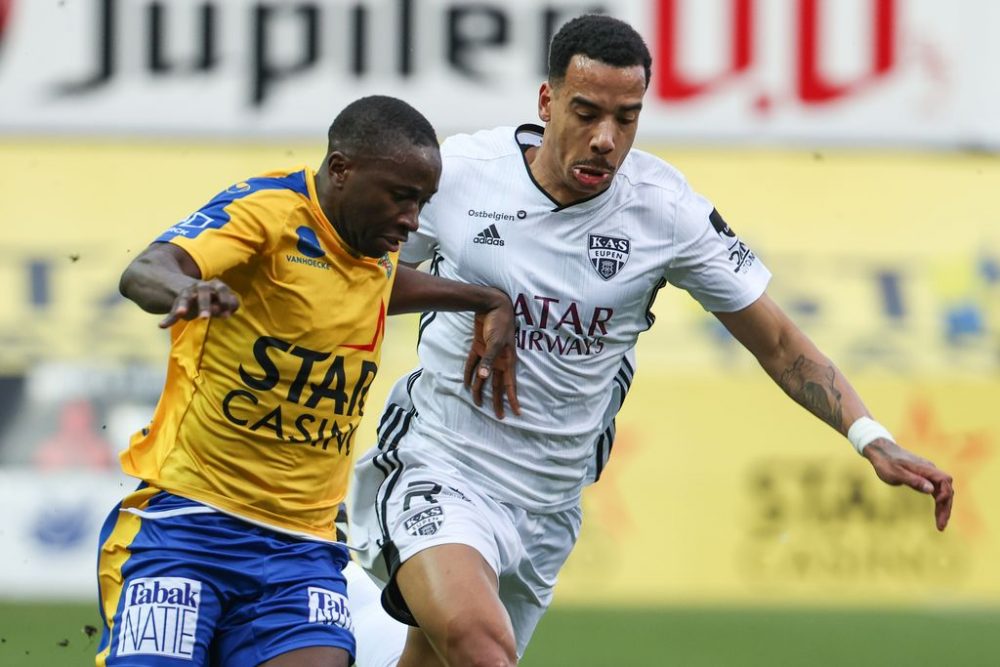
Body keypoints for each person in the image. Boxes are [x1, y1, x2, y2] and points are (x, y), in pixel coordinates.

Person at [346, 15, 956, 667]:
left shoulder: (667, 212)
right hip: (442, 465)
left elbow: (778, 340)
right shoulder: (462, 176)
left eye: (626, 118)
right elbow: (356, 274)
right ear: (547, 101)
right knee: (478, 643)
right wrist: (475, 297)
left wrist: (872, 437)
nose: (605, 139)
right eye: (585, 112)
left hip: (547, 506)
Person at [94, 95, 518, 667]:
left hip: (301, 549)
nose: (413, 219)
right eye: (401, 196)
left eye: (422, 202)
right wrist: (186, 290)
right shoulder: (269, 212)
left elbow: (375, 287)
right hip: (189, 526)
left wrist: (484, 299)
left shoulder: (372, 247)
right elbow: (145, 270)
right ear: (341, 170)